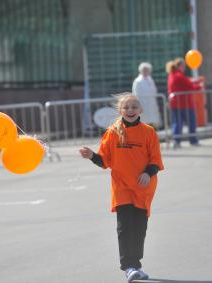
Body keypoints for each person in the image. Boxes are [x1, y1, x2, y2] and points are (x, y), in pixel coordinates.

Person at [79, 93, 164, 282]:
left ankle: (136, 264)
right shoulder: (112, 132)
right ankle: (129, 267)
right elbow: (104, 161)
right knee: (124, 227)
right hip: (121, 187)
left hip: (143, 188)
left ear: (141, 110)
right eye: (126, 107)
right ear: (120, 111)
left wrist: (147, 173)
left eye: (134, 107)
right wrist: (91, 155)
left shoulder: (149, 132)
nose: (130, 110)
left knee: (139, 228)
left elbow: (156, 161)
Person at [166, 58, 202, 148]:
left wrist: (196, 81)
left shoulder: (172, 75)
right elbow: (189, 86)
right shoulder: (179, 75)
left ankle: (176, 141)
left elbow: (186, 83)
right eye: (183, 66)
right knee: (191, 122)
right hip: (184, 104)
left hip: (176, 103)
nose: (184, 67)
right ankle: (193, 140)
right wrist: (199, 86)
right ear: (179, 66)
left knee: (177, 122)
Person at [132, 62, 162, 129]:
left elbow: (154, 91)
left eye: (147, 70)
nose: (146, 71)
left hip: (152, 105)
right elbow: (136, 95)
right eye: (144, 70)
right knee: (144, 124)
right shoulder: (137, 81)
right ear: (141, 70)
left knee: (153, 124)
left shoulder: (150, 79)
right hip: (143, 105)